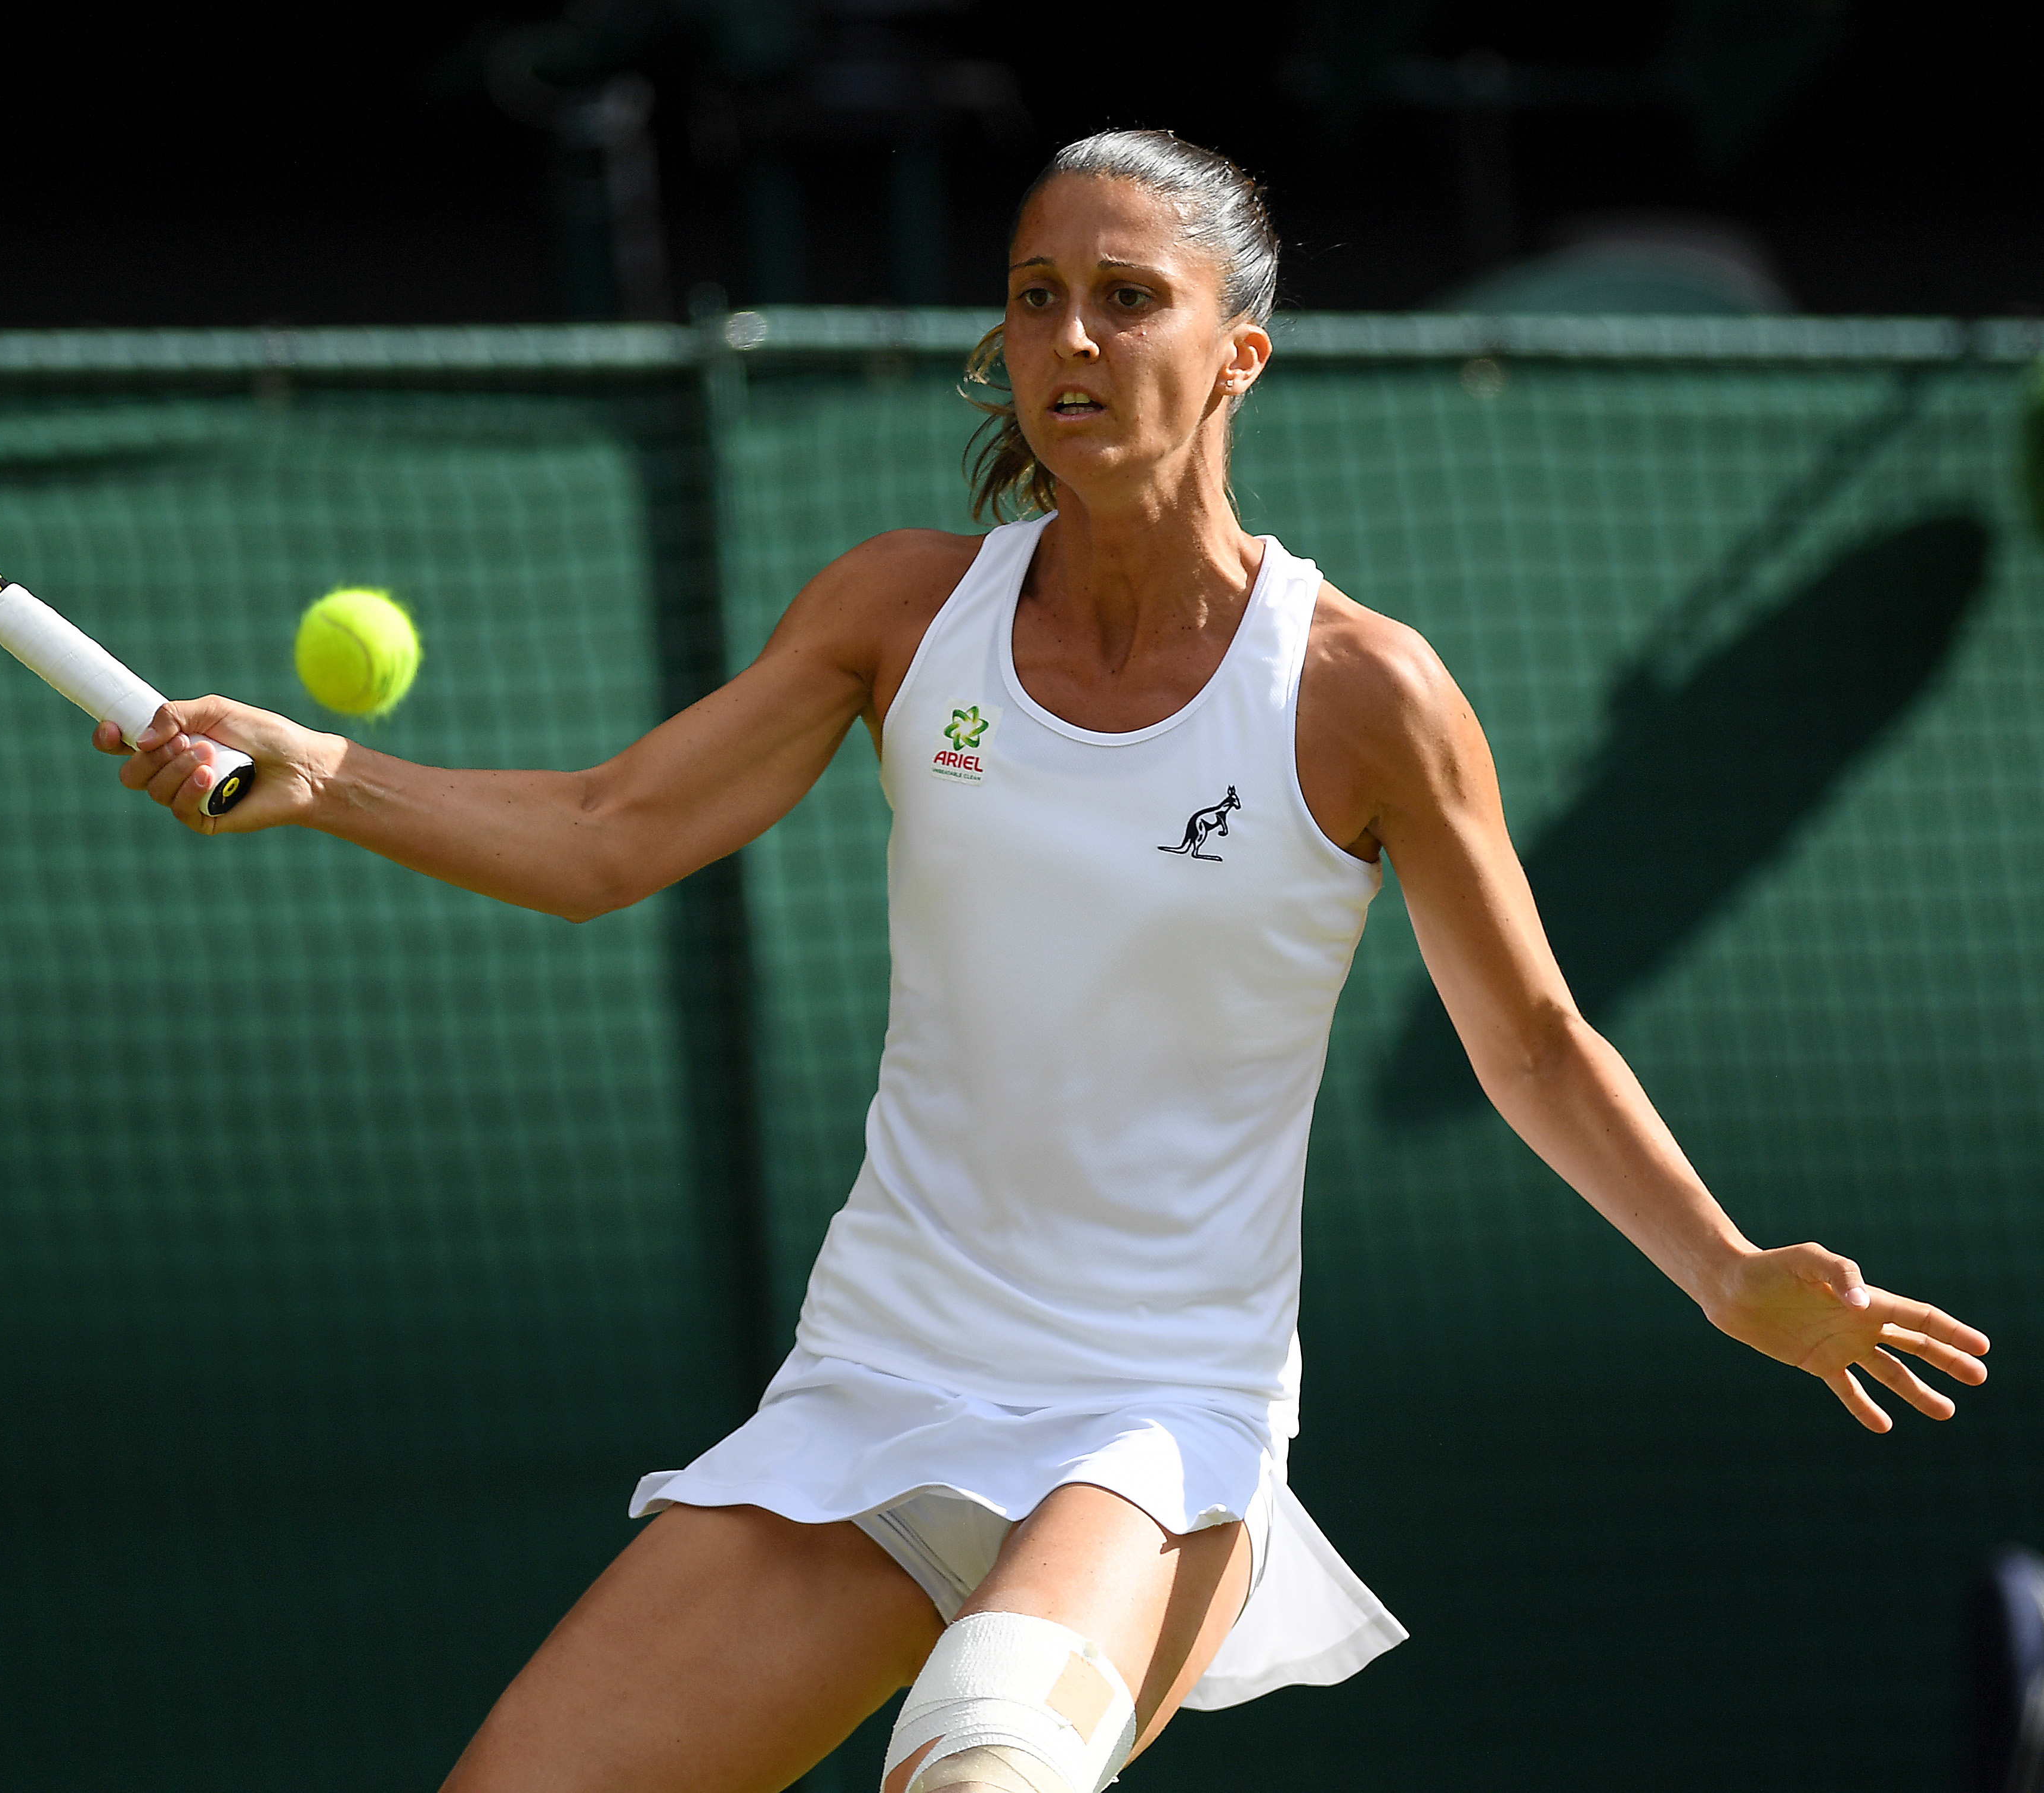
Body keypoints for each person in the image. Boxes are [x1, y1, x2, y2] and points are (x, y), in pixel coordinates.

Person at [97, 131, 1991, 1793]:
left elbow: (1534, 1042)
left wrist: (1726, 1270)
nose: (1071, 337)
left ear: (1239, 351)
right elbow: (608, 835)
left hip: (1154, 1417)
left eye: (1127, 297)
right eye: (1034, 297)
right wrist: (327, 777)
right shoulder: (898, 610)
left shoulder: (1360, 693)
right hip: (878, 1382)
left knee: (985, 1766)